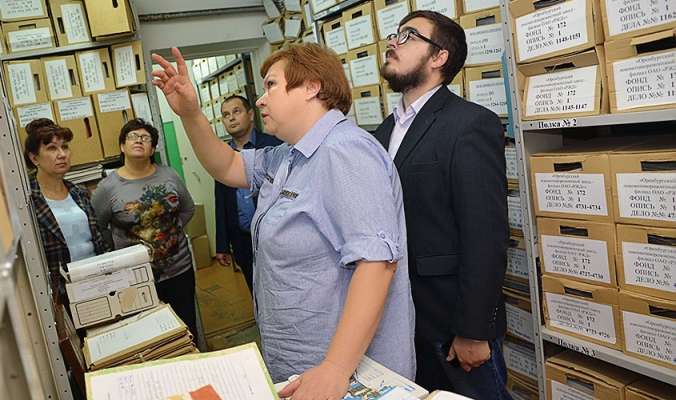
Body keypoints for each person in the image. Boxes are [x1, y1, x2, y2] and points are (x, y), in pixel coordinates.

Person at [152, 43, 415, 400]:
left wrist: (336, 368)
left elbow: (376, 264)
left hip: (346, 374)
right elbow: (227, 166)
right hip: (302, 364)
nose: (260, 101)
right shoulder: (288, 156)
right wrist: (190, 113)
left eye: (271, 86)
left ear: (311, 86)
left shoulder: (345, 151)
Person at [376, 10, 511, 399]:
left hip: (451, 329)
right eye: (394, 34)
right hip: (400, 325)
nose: (392, 43)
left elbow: (485, 236)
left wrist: (473, 329)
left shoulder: (470, 124)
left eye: (408, 36)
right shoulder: (382, 133)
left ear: (438, 57)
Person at [91, 119, 197, 336]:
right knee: (150, 336)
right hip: (135, 277)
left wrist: (166, 234)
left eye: (145, 138)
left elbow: (187, 209)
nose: (139, 140)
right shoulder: (108, 187)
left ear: (153, 148)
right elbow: (100, 229)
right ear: (122, 146)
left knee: (186, 329)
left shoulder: (169, 174)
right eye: (132, 136)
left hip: (179, 269)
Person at [24, 118, 110, 307]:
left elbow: (99, 241)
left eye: (65, 147)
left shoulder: (78, 192)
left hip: (96, 283)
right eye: (52, 148)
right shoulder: (27, 199)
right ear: (34, 158)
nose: (62, 154)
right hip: (59, 294)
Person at [215, 94, 282, 294]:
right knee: (255, 292)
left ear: (251, 114)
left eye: (237, 111)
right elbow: (221, 202)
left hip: (273, 236)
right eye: (226, 115)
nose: (232, 118)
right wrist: (222, 244)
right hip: (243, 239)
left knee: (279, 290)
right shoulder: (223, 156)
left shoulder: (274, 145)